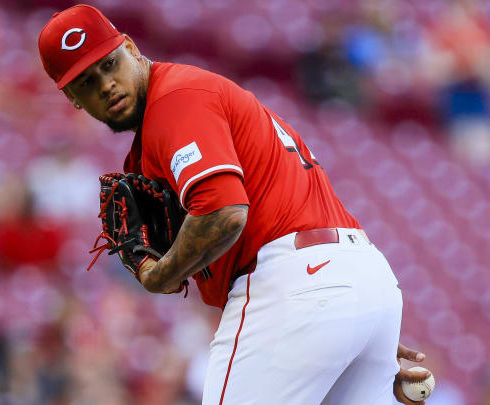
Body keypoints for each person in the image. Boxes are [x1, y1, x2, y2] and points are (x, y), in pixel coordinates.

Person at [38, 5, 431, 404]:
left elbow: (223, 212)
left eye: (109, 64)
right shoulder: (189, 99)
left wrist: (160, 275)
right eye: (87, 82)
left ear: (131, 47)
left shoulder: (174, 100)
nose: (106, 85)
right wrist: (349, 329)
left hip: (296, 285)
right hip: (358, 284)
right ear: (72, 97)